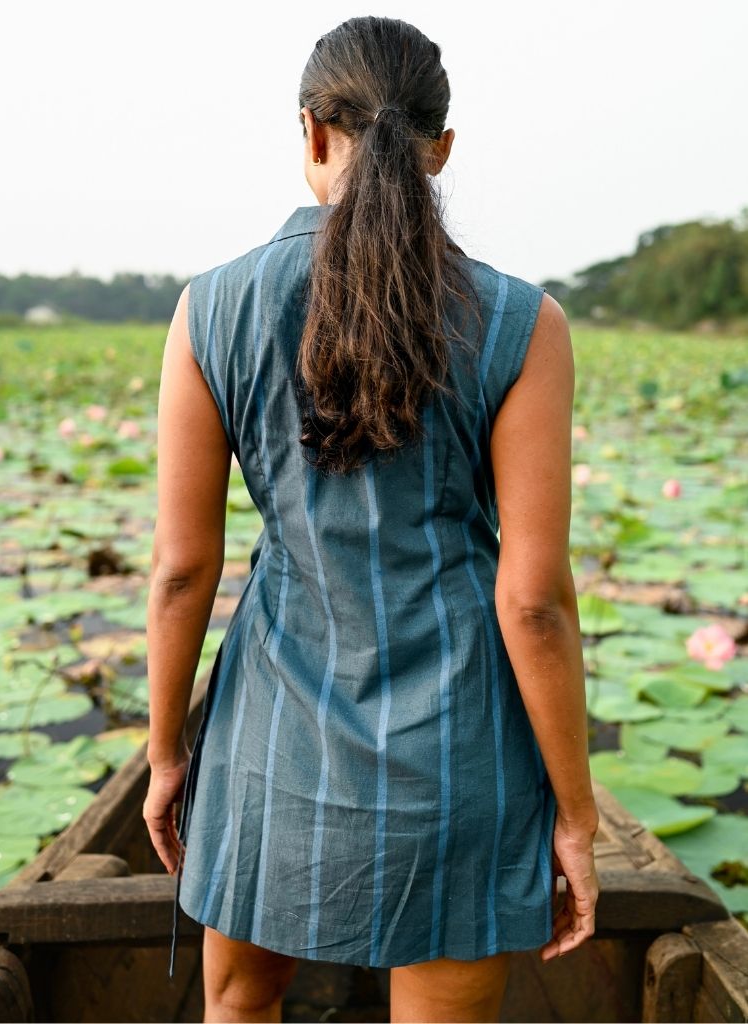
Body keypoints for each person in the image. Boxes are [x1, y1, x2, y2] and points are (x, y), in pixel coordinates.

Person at [143, 14, 599, 1024]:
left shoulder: (208, 309)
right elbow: (531, 601)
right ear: (442, 146)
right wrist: (575, 814)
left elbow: (182, 570)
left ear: (311, 132)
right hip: (460, 754)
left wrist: (168, 748)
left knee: (240, 1006)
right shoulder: (525, 322)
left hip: (269, 743)